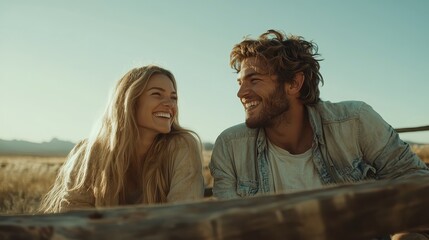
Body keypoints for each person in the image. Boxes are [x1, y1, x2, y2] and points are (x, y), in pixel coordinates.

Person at [209, 30, 429, 240]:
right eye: (240, 83)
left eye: (254, 80)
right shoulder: (230, 147)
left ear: (294, 83)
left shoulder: (356, 122)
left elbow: (418, 185)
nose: (241, 93)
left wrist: (404, 234)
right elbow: (231, 230)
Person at [40, 65, 204, 213]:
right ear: (130, 100)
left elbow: (182, 216)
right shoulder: (89, 152)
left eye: (173, 97)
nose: (170, 104)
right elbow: (74, 216)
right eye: (157, 94)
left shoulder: (182, 146)